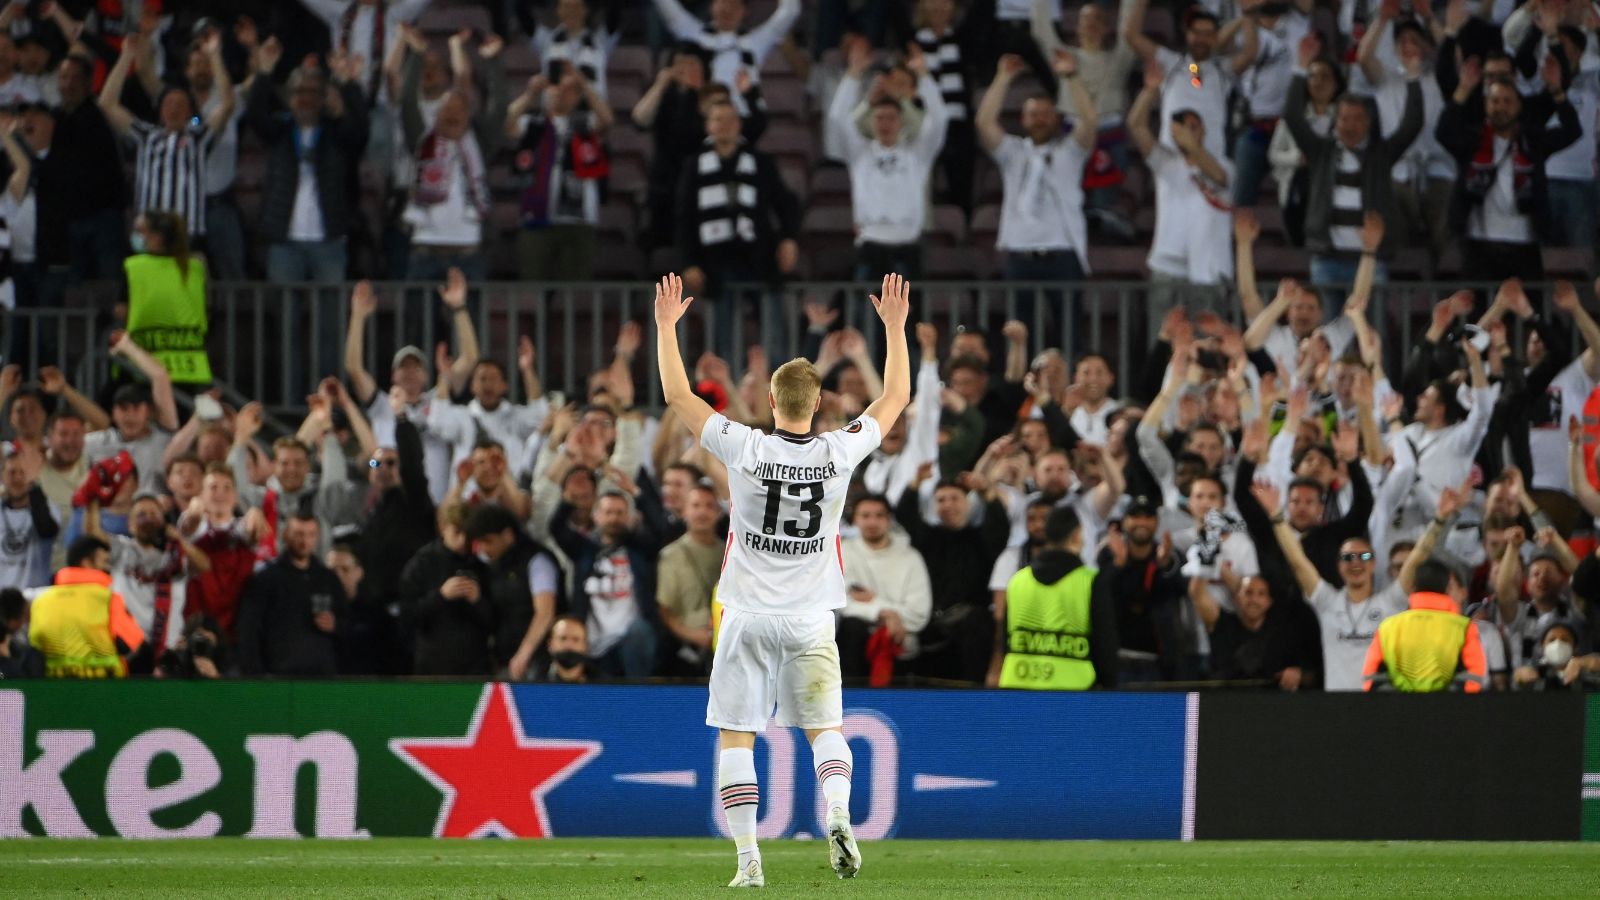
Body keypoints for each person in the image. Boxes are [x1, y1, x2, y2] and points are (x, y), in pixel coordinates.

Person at [655, 270, 911, 886]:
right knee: (825, 728)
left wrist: (668, 329)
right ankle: (841, 812)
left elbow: (679, 396)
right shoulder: (836, 452)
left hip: (744, 614)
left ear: (771, 402)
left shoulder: (744, 446)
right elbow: (895, 399)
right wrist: (895, 331)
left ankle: (748, 862)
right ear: (818, 404)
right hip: (811, 617)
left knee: (738, 736)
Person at [1283, 33, 1421, 304]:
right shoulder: (1320, 151)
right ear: (1335, 121)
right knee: (1327, 341)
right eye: (1344, 118)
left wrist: (1413, 77)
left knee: (1370, 338)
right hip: (1327, 260)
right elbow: (1293, 117)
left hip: (1369, 259)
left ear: (1368, 123)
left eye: (1357, 119)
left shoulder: (1380, 155)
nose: (1350, 125)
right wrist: (1300, 69)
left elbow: (1411, 125)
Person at [1436, 59, 1581, 286]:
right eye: (1494, 101)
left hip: (1525, 244)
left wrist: (1556, 91)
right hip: (1478, 244)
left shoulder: (1533, 141)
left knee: (1527, 315)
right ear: (1486, 105)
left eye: (1507, 101)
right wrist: (1463, 89)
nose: (1501, 107)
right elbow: (1443, 132)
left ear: (1519, 106)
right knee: (1479, 319)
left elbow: (1572, 131)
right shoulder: (1472, 140)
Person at [675, 98, 801, 356]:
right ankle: (728, 390)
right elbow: (684, 217)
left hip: (759, 258)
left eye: (731, 119)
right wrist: (688, 262)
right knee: (723, 335)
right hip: (716, 261)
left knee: (773, 332)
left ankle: (780, 388)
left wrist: (789, 239)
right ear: (708, 126)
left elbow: (784, 202)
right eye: (718, 119)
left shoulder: (760, 162)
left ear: (740, 125)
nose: (725, 125)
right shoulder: (694, 166)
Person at [246, 45, 371, 284]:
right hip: (285, 240)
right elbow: (255, 115)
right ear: (290, 97)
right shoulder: (280, 132)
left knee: (330, 312)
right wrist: (263, 73)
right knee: (284, 312)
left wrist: (348, 83)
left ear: (323, 98)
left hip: (330, 239)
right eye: (299, 92)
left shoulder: (336, 135)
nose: (306, 98)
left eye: (313, 92)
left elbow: (360, 128)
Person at [827, 42, 948, 280]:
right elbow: (837, 119)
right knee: (865, 313)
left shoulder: (918, 154)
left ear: (901, 121)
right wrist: (853, 76)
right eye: (880, 118)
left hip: (909, 244)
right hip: (870, 243)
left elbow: (940, 119)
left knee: (910, 316)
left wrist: (924, 77)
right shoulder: (859, 153)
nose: (885, 123)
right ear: (871, 122)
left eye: (891, 118)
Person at [978, 53, 1096, 295]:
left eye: (1045, 114)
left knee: (1067, 329)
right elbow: (984, 123)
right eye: (1033, 114)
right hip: (1020, 252)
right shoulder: (1013, 152)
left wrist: (1071, 78)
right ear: (1023, 119)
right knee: (1019, 330)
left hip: (1064, 251)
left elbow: (1090, 123)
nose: (1040, 120)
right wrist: (1002, 78)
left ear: (1056, 118)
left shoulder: (1070, 152)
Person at [99, 32, 234, 242]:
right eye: (168, 104)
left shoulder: (198, 137)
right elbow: (107, 103)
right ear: (160, 111)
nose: (174, 109)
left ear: (190, 112)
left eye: (180, 105)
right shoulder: (146, 135)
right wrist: (126, 57)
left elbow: (226, 105)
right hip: (148, 235)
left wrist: (215, 55)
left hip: (186, 236)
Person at [1127, 60, 1234, 323]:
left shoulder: (1225, 165)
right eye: (1183, 129)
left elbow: (1219, 178)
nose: (1189, 133)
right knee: (1162, 344)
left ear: (1204, 131)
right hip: (1167, 264)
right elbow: (1136, 127)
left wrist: (1192, 145)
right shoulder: (1166, 162)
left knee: (1207, 346)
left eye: (1194, 127)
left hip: (1209, 268)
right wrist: (1149, 91)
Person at [988, 505, 1118, 690]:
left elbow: (1004, 640)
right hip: (1073, 692)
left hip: (1017, 688)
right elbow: (1106, 646)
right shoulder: (1090, 582)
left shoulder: (1017, 580)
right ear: (1076, 535)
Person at [549, 484, 665, 679]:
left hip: (631, 643)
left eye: (620, 513)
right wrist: (568, 501)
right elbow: (556, 529)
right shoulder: (583, 550)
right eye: (608, 512)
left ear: (629, 518)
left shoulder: (640, 550)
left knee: (640, 631)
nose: (614, 518)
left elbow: (662, 530)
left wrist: (638, 495)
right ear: (596, 516)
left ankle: (639, 697)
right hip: (592, 645)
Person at [87, 492, 209, 660]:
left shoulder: (176, 557)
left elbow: (204, 565)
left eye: (154, 514)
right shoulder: (122, 549)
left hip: (168, 652)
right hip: (128, 649)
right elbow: (93, 533)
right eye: (141, 515)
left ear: (164, 522)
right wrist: (92, 498)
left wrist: (179, 539)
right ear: (130, 525)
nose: (148, 519)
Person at [236, 513, 346, 677]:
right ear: (285, 535)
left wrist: (335, 625)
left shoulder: (328, 578)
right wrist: (255, 676)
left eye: (311, 535)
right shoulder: (266, 579)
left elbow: (347, 620)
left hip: (323, 676)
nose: (304, 541)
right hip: (279, 676)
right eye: (299, 534)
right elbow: (249, 629)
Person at [839, 494, 933, 681]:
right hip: (853, 642)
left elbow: (919, 614)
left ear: (889, 519)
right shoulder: (843, 552)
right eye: (865, 516)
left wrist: (876, 603)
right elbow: (839, 604)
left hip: (900, 641)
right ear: (855, 519)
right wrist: (883, 613)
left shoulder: (911, 557)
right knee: (852, 627)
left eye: (879, 515)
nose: (872, 522)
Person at [650, 0, 801, 115]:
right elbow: (667, 6)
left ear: (745, 12)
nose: (728, 10)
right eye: (723, 2)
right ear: (711, 6)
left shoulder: (756, 43)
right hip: (700, 120)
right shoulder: (694, 35)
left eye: (734, 5)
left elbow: (790, 12)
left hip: (742, 121)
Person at [397, 501, 495, 675]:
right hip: (433, 665)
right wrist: (441, 596)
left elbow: (496, 621)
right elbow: (407, 615)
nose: (463, 540)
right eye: (457, 532)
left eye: (469, 534)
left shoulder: (482, 566)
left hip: (474, 666)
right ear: (443, 528)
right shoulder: (422, 563)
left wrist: (478, 601)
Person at [464, 502, 560, 680]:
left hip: (537, 659)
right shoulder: (492, 566)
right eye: (480, 543)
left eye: (488, 541)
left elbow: (545, 613)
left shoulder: (537, 561)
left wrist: (524, 653)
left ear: (508, 535)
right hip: (506, 658)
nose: (484, 549)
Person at [1362, 558, 1489, 692]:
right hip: (1448, 710)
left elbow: (1372, 676)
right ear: (1447, 587)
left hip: (1397, 710)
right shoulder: (1464, 627)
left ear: (1413, 587)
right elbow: (1473, 675)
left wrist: (1397, 704)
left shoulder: (1388, 627)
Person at [27, 536, 145, 678]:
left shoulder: (41, 601)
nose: (108, 568)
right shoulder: (107, 599)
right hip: (102, 690)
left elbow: (36, 648)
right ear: (86, 562)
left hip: (56, 689)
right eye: (105, 561)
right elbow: (131, 644)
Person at [124, 210, 212, 386]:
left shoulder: (134, 267)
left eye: (141, 231)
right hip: (192, 366)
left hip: (143, 365)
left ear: (156, 237)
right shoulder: (197, 267)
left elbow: (121, 310)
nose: (136, 236)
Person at [656, 481, 724, 674]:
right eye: (695, 505)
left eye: (709, 506)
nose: (702, 512)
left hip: (727, 641)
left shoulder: (731, 553)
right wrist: (694, 635)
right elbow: (665, 610)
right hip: (687, 649)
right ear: (684, 511)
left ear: (719, 512)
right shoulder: (671, 555)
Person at [0, 450, 58, 589]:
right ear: (2, 477)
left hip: (35, 597)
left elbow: (47, 531)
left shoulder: (48, 507)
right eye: (12, 472)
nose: (18, 478)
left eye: (23, 473)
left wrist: (34, 488)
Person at [538, 614, 593, 683]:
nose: (569, 645)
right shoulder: (531, 683)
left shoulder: (603, 686)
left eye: (576, 639)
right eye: (563, 638)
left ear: (585, 646)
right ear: (550, 644)